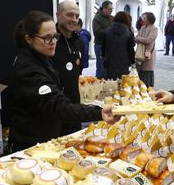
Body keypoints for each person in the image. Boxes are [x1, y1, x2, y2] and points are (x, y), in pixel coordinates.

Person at [9, 11, 119, 151]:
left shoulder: (41, 57)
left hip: (46, 135)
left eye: (55, 36)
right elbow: (58, 105)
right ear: (29, 39)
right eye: (47, 38)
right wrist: (99, 113)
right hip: (31, 143)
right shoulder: (28, 68)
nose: (53, 42)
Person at [51, 1, 85, 136]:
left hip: (74, 107)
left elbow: (79, 71)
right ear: (58, 15)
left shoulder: (79, 41)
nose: (74, 20)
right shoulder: (50, 41)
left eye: (77, 16)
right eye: (70, 15)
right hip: (53, 108)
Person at [103, 12, 135, 80]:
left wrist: (103, 57)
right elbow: (131, 48)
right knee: (123, 81)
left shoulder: (107, 30)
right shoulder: (128, 31)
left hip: (110, 60)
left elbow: (104, 46)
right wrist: (133, 61)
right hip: (124, 60)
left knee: (111, 81)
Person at [136, 12, 158, 87]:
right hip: (140, 52)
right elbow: (137, 38)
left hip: (148, 53)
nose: (143, 20)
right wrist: (140, 38)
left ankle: (148, 90)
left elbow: (148, 40)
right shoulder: (142, 27)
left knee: (147, 71)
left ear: (149, 19)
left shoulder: (154, 28)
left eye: (144, 18)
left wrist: (139, 38)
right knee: (140, 71)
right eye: (143, 18)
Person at [93, 0, 113, 79]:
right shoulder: (97, 18)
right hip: (100, 45)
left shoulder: (112, 18)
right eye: (109, 9)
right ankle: (99, 83)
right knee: (101, 67)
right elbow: (97, 33)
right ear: (104, 8)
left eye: (112, 9)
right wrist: (110, 30)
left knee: (108, 67)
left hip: (110, 45)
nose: (111, 11)